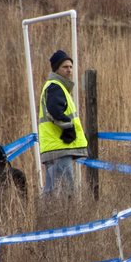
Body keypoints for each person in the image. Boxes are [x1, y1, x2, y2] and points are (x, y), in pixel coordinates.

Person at [37, 49, 88, 198]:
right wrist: (69, 128)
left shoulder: (55, 87)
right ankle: (69, 220)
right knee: (67, 194)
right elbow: (54, 112)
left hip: (53, 147)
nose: (69, 70)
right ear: (56, 69)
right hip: (60, 147)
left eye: (71, 67)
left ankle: (49, 220)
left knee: (51, 194)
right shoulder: (55, 86)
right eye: (65, 67)